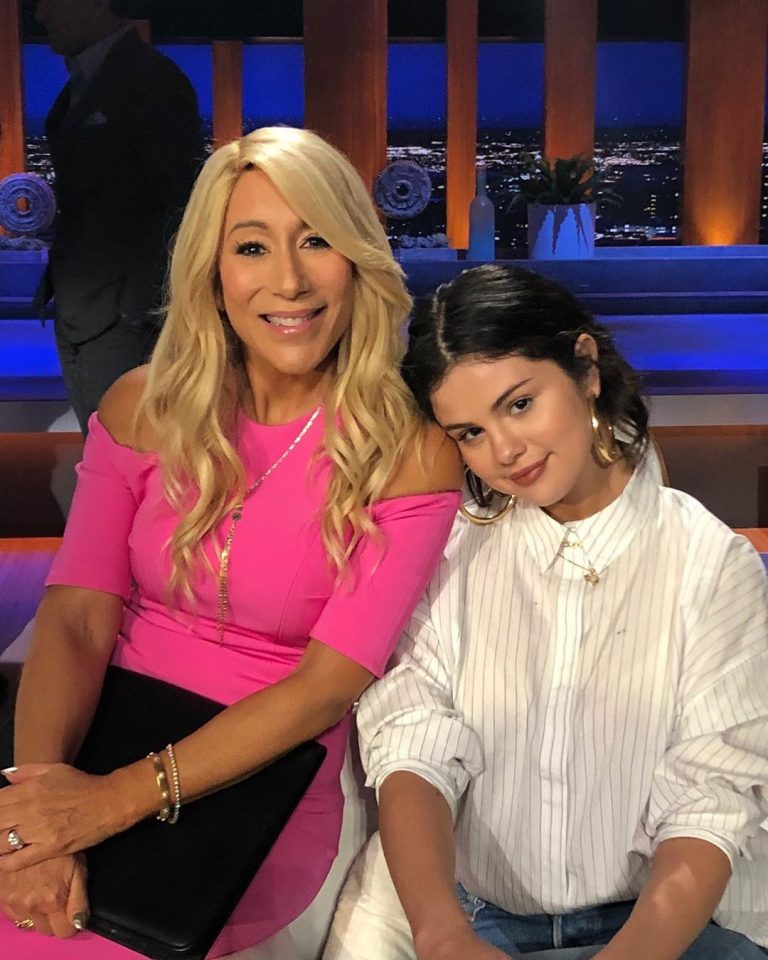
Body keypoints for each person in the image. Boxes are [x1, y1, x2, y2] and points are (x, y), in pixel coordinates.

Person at [0, 126, 463, 960]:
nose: (289, 280)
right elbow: (74, 619)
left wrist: (109, 804)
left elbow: (325, 689)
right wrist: (39, 817)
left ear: (358, 260)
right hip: (98, 735)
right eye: (252, 247)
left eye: (316, 241)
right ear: (213, 275)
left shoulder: (408, 453)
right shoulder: (141, 406)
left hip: (260, 780)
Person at [324, 264, 768, 960]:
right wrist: (441, 935)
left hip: (661, 934)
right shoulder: (445, 554)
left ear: (585, 367)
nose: (505, 451)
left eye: (520, 404)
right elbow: (413, 746)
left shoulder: (712, 565)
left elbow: (709, 800)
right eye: (470, 432)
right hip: (479, 925)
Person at [34, 0, 204, 432]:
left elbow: (179, 201)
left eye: (47, 2)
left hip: (124, 322)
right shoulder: (82, 85)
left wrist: (137, 310)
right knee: (102, 445)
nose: (40, 16)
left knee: (130, 449)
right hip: (82, 311)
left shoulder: (153, 80)